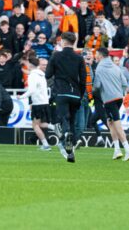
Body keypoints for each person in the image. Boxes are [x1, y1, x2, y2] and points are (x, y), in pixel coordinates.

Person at [45, 31, 87, 163]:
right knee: (73, 121)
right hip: (75, 94)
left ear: (63, 41)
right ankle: (71, 154)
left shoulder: (56, 56)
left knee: (63, 119)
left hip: (61, 93)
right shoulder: (79, 58)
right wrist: (80, 94)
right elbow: (84, 79)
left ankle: (66, 135)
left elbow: (47, 74)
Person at [93, 47, 129, 161]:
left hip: (109, 99)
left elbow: (97, 86)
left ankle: (127, 149)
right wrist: (120, 92)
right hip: (118, 98)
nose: (95, 56)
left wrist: (93, 91)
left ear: (101, 56)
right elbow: (125, 83)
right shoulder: (116, 67)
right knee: (110, 122)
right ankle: (117, 150)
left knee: (117, 124)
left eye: (96, 54)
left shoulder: (99, 68)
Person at [23, 56, 52, 150]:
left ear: (30, 65)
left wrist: (22, 96)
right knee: (40, 124)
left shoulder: (32, 75)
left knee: (35, 125)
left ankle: (46, 145)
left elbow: (31, 90)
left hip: (37, 103)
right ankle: (54, 127)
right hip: (45, 102)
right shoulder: (42, 74)